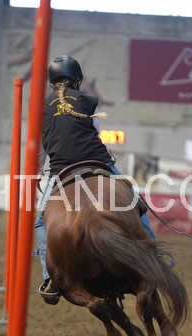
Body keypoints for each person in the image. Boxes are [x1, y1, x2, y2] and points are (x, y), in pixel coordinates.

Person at [35, 55, 158, 301]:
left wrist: (38, 172)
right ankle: (155, 255)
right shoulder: (88, 101)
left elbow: (40, 149)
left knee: (41, 222)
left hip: (61, 169)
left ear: (52, 81)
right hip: (98, 162)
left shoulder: (42, 107)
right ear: (77, 79)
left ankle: (50, 278)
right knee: (136, 203)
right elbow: (95, 134)